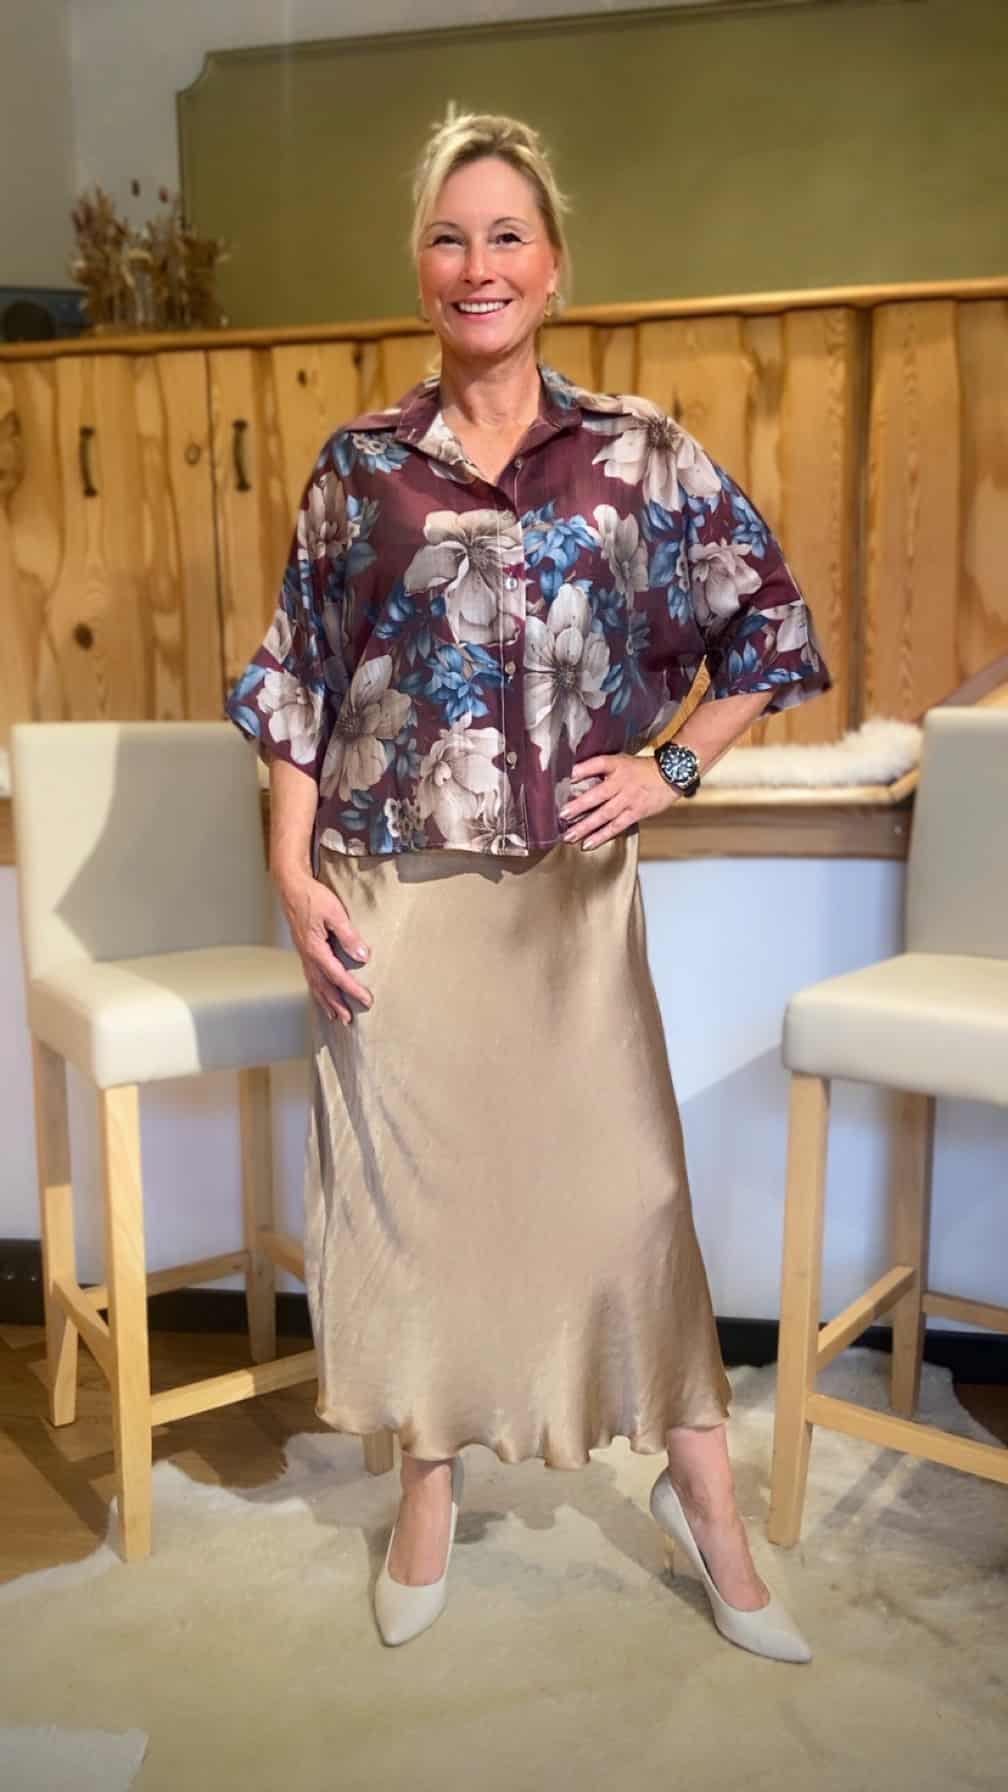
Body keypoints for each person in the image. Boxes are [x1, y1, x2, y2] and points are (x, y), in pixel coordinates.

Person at [225, 110, 831, 1657]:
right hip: (393, 897)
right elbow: (299, 684)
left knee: (631, 1201)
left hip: (567, 905)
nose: (476, 263)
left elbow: (766, 626)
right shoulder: (361, 470)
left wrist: (676, 766)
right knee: (424, 1223)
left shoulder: (635, 456)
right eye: (449, 237)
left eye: (505, 235)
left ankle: (704, 1502)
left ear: (554, 266)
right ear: (420, 268)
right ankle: (427, 1495)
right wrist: (291, 868)